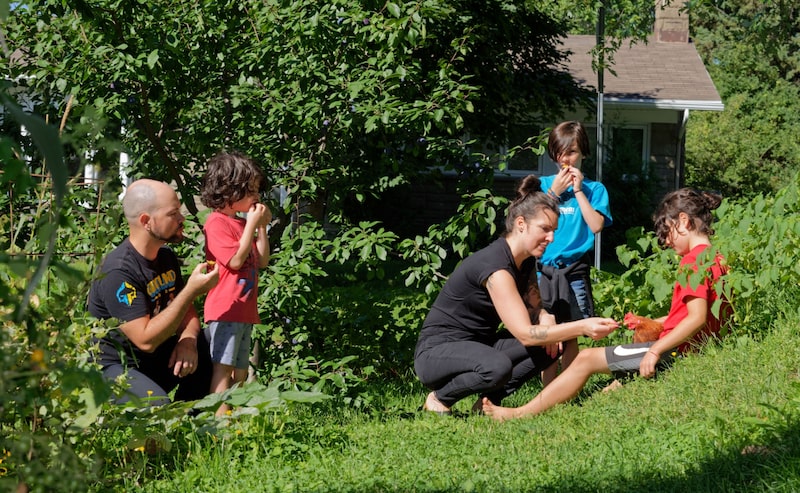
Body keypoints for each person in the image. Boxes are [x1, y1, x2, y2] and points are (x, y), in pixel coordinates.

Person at [483, 188, 730, 420]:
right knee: (618, 375)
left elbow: (695, 318)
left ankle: (520, 413)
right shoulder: (717, 258)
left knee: (586, 358)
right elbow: (695, 315)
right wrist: (650, 323)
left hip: (675, 352)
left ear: (684, 221)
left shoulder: (693, 262)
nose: (666, 241)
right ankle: (586, 402)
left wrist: (655, 350)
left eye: (667, 231)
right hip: (691, 349)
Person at [414, 175, 620, 415]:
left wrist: (544, 315)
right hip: (436, 353)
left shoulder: (524, 261)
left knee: (551, 346)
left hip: (478, 345)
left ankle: (487, 404)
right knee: (497, 366)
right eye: (545, 229)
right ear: (521, 223)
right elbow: (526, 334)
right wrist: (582, 326)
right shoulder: (496, 268)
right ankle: (440, 399)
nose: (551, 238)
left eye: (553, 231)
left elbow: (533, 308)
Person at [88, 179, 220, 406]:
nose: (182, 219)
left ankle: (194, 421)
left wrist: (188, 340)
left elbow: (185, 311)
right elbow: (145, 340)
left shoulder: (165, 256)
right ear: (146, 221)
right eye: (173, 213)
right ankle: (170, 418)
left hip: (154, 360)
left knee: (211, 341)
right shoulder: (119, 271)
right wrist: (190, 291)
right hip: (115, 369)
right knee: (158, 409)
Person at [538, 121, 613, 380]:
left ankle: (568, 385)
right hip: (543, 271)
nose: (564, 159)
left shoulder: (595, 189)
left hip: (574, 270)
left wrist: (578, 191)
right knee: (546, 332)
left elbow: (595, 226)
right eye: (559, 153)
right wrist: (553, 193)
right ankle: (548, 386)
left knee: (571, 331)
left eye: (571, 152)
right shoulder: (542, 185)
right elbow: (529, 221)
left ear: (582, 153)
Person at [200, 151, 271, 415]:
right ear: (230, 192)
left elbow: (261, 260)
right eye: (250, 190)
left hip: (244, 311)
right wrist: (252, 224)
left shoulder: (243, 225)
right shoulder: (216, 223)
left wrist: (260, 227)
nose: (257, 196)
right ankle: (218, 422)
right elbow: (235, 261)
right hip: (226, 309)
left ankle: (234, 416)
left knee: (240, 370)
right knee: (223, 368)